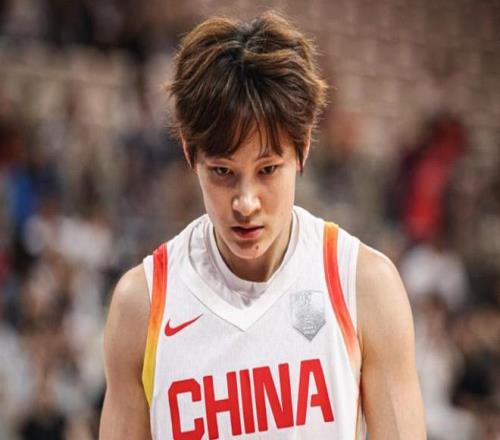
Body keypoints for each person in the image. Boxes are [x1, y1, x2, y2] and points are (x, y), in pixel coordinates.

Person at [99, 11, 426, 439]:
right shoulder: (141, 306)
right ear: (189, 153)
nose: (246, 202)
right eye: (223, 172)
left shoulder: (364, 286)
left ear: (302, 149)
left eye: (268, 169)